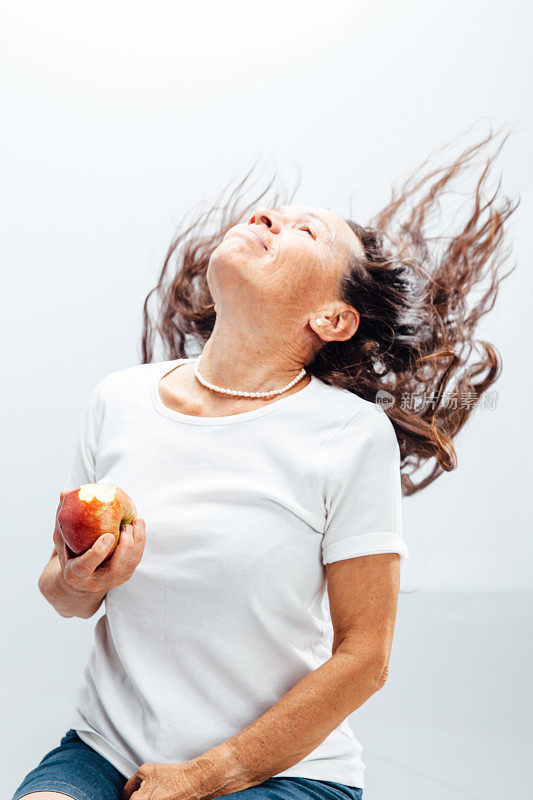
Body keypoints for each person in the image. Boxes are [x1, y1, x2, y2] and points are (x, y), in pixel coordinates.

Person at [11, 129, 517, 800]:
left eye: (305, 231)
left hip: (281, 773)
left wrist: (207, 776)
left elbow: (364, 659)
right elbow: (62, 595)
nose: (267, 217)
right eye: (271, 213)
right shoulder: (120, 399)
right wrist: (79, 583)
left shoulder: (348, 436)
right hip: (109, 754)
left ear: (332, 319)